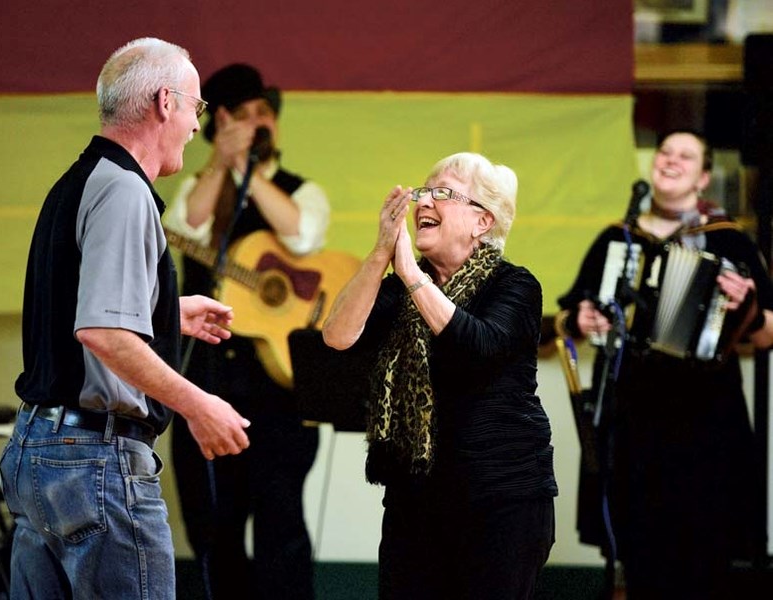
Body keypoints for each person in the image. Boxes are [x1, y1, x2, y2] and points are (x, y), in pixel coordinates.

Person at [0, 38, 251, 600]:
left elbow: (73, 308)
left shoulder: (79, 181)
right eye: (196, 107)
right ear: (166, 102)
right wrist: (198, 405)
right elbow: (103, 332)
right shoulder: (124, 191)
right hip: (94, 462)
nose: (195, 124)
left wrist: (165, 312)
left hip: (37, 452)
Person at [322, 152, 558, 600]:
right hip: (416, 498)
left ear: (482, 222)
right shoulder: (397, 290)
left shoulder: (515, 285)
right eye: (424, 192)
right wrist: (379, 255)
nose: (424, 202)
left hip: (502, 498)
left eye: (444, 193)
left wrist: (410, 273)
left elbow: (479, 345)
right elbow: (337, 336)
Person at [555, 128, 773, 600]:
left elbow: (767, 332)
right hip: (633, 417)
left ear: (704, 177)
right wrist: (581, 319)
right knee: (639, 550)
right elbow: (569, 319)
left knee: (705, 551)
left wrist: (750, 304)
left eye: (685, 156)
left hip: (706, 420)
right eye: (665, 152)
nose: (671, 160)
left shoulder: (728, 241)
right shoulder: (619, 236)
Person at [162, 63, 330, 600]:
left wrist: (249, 169)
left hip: (279, 395)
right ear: (217, 124)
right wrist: (221, 162)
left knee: (282, 527)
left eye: (265, 116)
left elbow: (300, 236)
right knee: (215, 526)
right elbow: (184, 226)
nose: (258, 124)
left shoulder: (303, 191)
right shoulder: (197, 184)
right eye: (244, 116)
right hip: (204, 382)